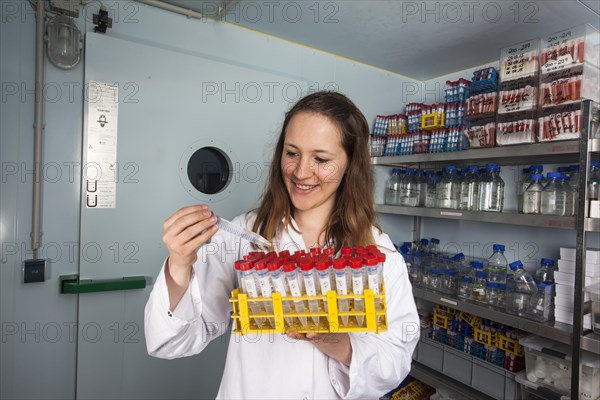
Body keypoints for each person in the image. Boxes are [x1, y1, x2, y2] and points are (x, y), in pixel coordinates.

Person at [144, 91, 420, 399]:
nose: (301, 172)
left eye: (321, 159)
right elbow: (170, 342)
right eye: (292, 153)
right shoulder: (244, 235)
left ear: (350, 164)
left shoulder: (379, 253)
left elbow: (394, 362)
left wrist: (337, 343)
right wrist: (179, 264)